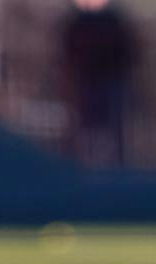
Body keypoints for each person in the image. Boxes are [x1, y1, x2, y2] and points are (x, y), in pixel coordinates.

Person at [60, 0, 141, 166]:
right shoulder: (77, 21)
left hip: (112, 80)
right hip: (87, 81)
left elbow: (129, 48)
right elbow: (68, 50)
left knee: (114, 126)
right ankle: (85, 162)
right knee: (87, 128)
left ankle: (117, 163)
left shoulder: (114, 19)